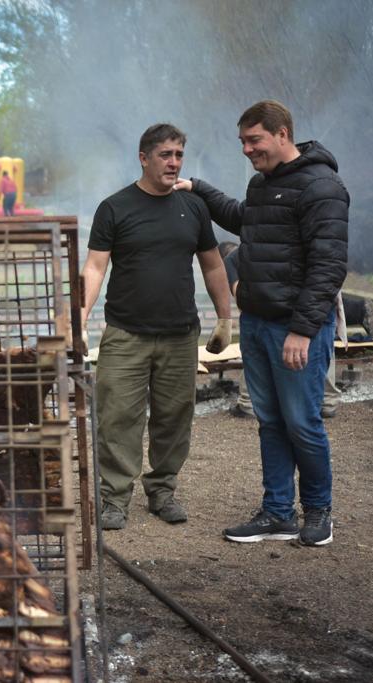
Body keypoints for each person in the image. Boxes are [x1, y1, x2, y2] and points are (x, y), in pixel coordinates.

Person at [176, 100, 348, 546]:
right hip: (257, 324)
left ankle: (318, 512)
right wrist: (197, 187)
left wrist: (303, 330)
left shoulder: (322, 187)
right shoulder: (263, 185)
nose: (248, 150)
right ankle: (277, 512)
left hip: (296, 329)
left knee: (301, 422)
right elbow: (244, 220)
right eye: (244, 143)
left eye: (255, 140)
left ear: (283, 134)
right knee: (270, 422)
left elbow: (329, 267)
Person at [81, 123, 232, 530]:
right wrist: (78, 318)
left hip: (180, 335)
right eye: (166, 155)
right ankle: (114, 498)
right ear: (144, 157)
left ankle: (162, 490)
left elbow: (213, 263)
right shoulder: (115, 207)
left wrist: (224, 317)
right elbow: (95, 267)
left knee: (174, 417)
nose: (174, 163)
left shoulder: (194, 207)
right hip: (126, 334)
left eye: (179, 155)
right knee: (117, 417)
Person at [220, 242, 373, 419]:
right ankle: (327, 400)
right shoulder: (265, 245)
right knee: (322, 335)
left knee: (310, 334)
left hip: (298, 293)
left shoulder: (236, 259)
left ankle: (249, 402)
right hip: (309, 289)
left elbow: (243, 299)